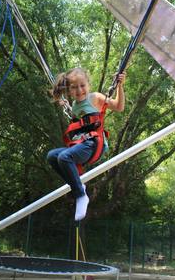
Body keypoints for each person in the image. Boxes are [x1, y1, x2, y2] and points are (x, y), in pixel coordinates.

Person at [47, 68, 126, 221]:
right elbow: (77, 118)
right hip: (81, 145)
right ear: (69, 90)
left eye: (82, 85)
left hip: (94, 145)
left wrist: (120, 86)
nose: (79, 90)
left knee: (64, 157)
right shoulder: (74, 107)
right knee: (52, 156)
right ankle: (77, 185)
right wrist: (66, 106)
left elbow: (119, 106)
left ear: (89, 85)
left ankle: (80, 195)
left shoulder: (95, 97)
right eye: (74, 87)